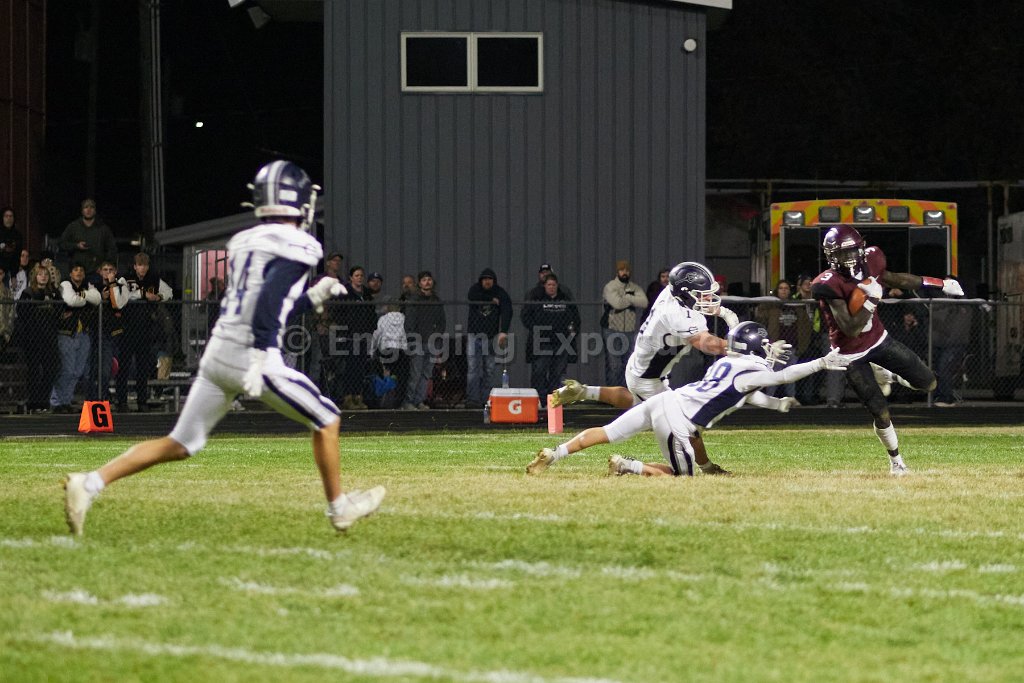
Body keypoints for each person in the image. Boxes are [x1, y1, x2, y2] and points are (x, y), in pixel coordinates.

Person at [63, 160, 386, 537]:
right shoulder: (297, 244)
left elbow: (265, 302)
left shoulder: (246, 242)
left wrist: (310, 297)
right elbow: (267, 301)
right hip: (251, 354)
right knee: (327, 418)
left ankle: (89, 484)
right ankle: (339, 509)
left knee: (180, 442)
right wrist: (261, 353)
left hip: (220, 353)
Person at [527, 321, 850, 476]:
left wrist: (776, 404)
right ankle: (627, 465)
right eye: (765, 346)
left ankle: (555, 454)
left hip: (665, 400)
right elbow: (782, 376)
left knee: (608, 431)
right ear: (755, 348)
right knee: (681, 477)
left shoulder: (726, 363)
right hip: (678, 419)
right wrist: (821, 363)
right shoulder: (752, 371)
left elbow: (746, 396)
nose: (769, 351)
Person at [551, 262, 742, 471]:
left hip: (641, 369)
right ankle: (705, 467)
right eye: (701, 294)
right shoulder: (677, 315)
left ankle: (586, 392)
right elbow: (710, 345)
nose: (707, 298)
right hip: (649, 380)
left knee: (633, 402)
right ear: (685, 294)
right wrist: (742, 344)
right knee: (687, 424)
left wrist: (718, 312)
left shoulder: (671, 293)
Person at [811, 224, 964, 475]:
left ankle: (889, 374)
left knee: (929, 383)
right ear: (831, 255)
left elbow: (897, 279)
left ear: (861, 247)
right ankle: (896, 462)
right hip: (850, 354)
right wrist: (872, 300)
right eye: (842, 253)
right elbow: (850, 329)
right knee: (879, 410)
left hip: (879, 340)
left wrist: (940, 283)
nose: (849, 257)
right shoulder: (827, 283)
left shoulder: (873, 259)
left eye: (852, 251)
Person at [118, 252, 173, 412]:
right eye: (140, 265)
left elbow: (169, 292)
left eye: (145, 265)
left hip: (145, 330)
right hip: (127, 329)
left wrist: (158, 297)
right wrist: (143, 294)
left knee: (143, 367)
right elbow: (122, 298)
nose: (142, 268)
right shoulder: (125, 279)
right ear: (135, 266)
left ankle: (142, 401)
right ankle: (121, 402)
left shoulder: (154, 279)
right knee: (124, 367)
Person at [51, 263, 101, 413]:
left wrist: (81, 296)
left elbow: (97, 299)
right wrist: (86, 298)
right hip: (67, 333)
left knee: (77, 371)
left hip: (83, 333)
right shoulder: (65, 284)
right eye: (75, 270)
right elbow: (71, 300)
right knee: (67, 370)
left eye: (81, 270)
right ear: (70, 273)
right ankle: (56, 402)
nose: (78, 272)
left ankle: (66, 401)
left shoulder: (88, 285)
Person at [522, 272, 580, 400]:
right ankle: (539, 399)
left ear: (557, 285)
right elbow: (525, 317)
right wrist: (537, 329)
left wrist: (573, 332)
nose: (551, 287)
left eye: (553, 285)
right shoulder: (537, 299)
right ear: (544, 286)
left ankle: (553, 400)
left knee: (558, 373)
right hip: (542, 342)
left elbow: (576, 318)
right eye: (549, 285)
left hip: (562, 342)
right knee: (539, 371)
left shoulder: (565, 299)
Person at [465, 267, 512, 408]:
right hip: (474, 335)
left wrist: (503, 331)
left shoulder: (500, 292)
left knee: (489, 370)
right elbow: (471, 296)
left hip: (491, 337)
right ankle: (472, 400)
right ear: (481, 280)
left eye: (490, 279)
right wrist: (491, 299)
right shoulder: (475, 289)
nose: (487, 281)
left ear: (494, 281)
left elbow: (507, 310)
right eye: (485, 279)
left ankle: (486, 400)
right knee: (473, 369)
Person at [754, 279, 810, 398]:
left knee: (791, 375)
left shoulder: (797, 306)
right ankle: (769, 398)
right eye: (781, 288)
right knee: (774, 374)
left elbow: (806, 327)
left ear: (790, 291)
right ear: (777, 290)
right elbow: (760, 319)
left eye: (786, 288)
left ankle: (791, 399)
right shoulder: (772, 306)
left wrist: (802, 346)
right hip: (776, 347)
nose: (784, 291)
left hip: (792, 346)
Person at [17, 264, 60, 412]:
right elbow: (22, 313)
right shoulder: (28, 293)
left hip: (50, 339)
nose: (43, 277)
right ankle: (33, 402)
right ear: (35, 276)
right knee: (34, 371)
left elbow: (60, 311)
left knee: (50, 370)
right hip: (33, 339)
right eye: (40, 274)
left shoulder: (53, 293)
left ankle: (43, 401)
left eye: (46, 274)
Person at [402, 270, 445, 410]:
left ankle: (418, 401)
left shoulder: (436, 300)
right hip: (418, 342)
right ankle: (408, 401)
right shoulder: (414, 300)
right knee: (415, 373)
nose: (427, 282)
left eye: (429, 279)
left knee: (426, 374)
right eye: (424, 280)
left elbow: (442, 321)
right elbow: (409, 322)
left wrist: (437, 337)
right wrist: (412, 339)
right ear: (419, 283)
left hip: (432, 342)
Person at [600, 260, 647, 386]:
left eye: (627, 270)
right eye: (622, 270)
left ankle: (626, 391)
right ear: (617, 272)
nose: (624, 272)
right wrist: (632, 299)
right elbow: (617, 304)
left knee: (628, 364)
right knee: (614, 365)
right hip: (612, 329)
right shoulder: (610, 287)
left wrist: (627, 297)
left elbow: (644, 302)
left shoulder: (634, 287)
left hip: (629, 330)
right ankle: (612, 391)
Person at [90, 261, 131, 403]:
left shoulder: (121, 286)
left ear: (115, 272)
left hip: (117, 333)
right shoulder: (94, 287)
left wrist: (112, 284)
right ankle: (99, 397)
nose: (108, 272)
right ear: (99, 271)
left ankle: (116, 399)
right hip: (99, 333)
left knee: (118, 368)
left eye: (111, 270)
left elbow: (117, 303)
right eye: (105, 269)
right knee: (100, 369)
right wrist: (101, 297)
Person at [930, 290, 972, 407]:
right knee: (937, 369)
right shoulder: (939, 303)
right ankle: (938, 395)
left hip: (955, 344)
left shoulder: (962, 306)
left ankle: (947, 397)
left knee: (944, 368)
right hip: (939, 344)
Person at [792, 275, 828, 405]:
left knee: (816, 369)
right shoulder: (794, 300)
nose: (808, 285)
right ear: (800, 285)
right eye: (806, 283)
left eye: (810, 283)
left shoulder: (816, 300)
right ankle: (800, 396)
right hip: (799, 338)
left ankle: (812, 395)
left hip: (814, 337)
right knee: (800, 368)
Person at [58, 198, 117, 273]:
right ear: (82, 210)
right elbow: (62, 243)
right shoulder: (73, 227)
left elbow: (112, 249)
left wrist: (104, 266)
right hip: (77, 271)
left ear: (95, 211)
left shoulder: (103, 228)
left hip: (97, 271)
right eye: (86, 207)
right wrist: (76, 245)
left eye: (91, 207)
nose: (88, 210)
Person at [0, 206, 23, 281]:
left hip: (8, 273)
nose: (9, 219)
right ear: (2, 218)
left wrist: (13, 275)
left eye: (11, 216)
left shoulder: (18, 235)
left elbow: (16, 257)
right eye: (6, 216)